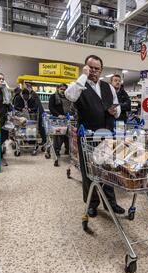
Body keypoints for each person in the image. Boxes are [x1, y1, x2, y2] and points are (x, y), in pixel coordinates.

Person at [64, 54, 125, 217]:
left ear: (101, 70)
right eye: (90, 68)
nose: (94, 71)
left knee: (108, 170)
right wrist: (83, 76)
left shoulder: (108, 87)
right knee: (89, 170)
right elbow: (70, 96)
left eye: (97, 69)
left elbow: (117, 110)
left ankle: (110, 202)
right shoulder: (79, 84)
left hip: (106, 135)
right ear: (85, 67)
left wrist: (115, 110)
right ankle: (92, 203)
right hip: (88, 135)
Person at [48, 83, 75, 167]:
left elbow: (72, 107)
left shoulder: (69, 97)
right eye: (61, 89)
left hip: (68, 119)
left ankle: (68, 149)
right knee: (58, 135)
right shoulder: (53, 97)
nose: (63, 91)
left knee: (68, 135)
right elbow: (51, 107)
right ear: (57, 89)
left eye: (64, 89)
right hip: (58, 120)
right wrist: (58, 115)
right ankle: (56, 149)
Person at [0, 72, 11, 167]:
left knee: (4, 136)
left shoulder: (3, 89)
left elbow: (6, 103)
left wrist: (10, 108)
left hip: (4, 117)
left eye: (2, 79)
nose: (1, 80)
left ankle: (0, 155)